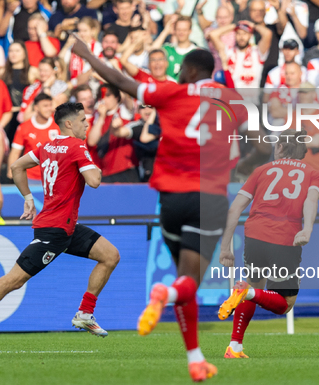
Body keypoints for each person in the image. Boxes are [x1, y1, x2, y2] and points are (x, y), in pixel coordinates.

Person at [71, 36, 266, 381]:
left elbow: (120, 82)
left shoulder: (172, 93)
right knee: (189, 283)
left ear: (191, 70)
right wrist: (238, 165)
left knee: (183, 276)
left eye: (181, 68)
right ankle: (166, 294)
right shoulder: (233, 99)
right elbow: (262, 147)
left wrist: (87, 53)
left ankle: (195, 358)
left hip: (171, 199)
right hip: (209, 198)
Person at [0, 102, 121, 357]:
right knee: (14, 280)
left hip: (66, 227)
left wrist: (28, 198)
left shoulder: (46, 146)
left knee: (110, 256)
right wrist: (93, 164)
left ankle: (85, 313)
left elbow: (16, 167)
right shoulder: (77, 147)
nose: (86, 124)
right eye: (83, 120)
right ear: (69, 124)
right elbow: (95, 181)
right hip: (53, 231)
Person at [217, 129, 319, 358]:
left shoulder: (261, 170)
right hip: (285, 238)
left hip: (254, 236)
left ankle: (235, 347)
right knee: (285, 303)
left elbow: (235, 208)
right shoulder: (313, 174)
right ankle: (248, 293)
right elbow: (311, 201)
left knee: (253, 281)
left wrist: (225, 247)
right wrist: (307, 229)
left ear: (281, 147)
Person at [7, 93, 59, 182]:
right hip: (30, 177)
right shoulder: (24, 127)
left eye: (50, 105)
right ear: (36, 108)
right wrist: (10, 171)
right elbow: (15, 152)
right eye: (45, 106)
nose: (49, 109)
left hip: (54, 177)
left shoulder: (58, 125)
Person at [162, 16, 197, 81]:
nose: (181, 32)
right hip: (170, 89)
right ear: (174, 30)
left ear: (190, 31)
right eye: (179, 29)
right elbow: (151, 52)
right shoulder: (167, 49)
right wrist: (165, 31)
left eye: (184, 30)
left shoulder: (197, 53)